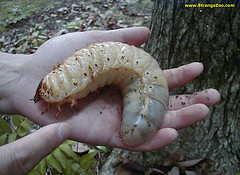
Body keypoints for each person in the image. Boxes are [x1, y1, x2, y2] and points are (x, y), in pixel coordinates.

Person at [0, 27, 220, 174]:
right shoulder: (77, 77)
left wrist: (16, 76)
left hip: (137, 72)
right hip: (113, 66)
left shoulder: (137, 75)